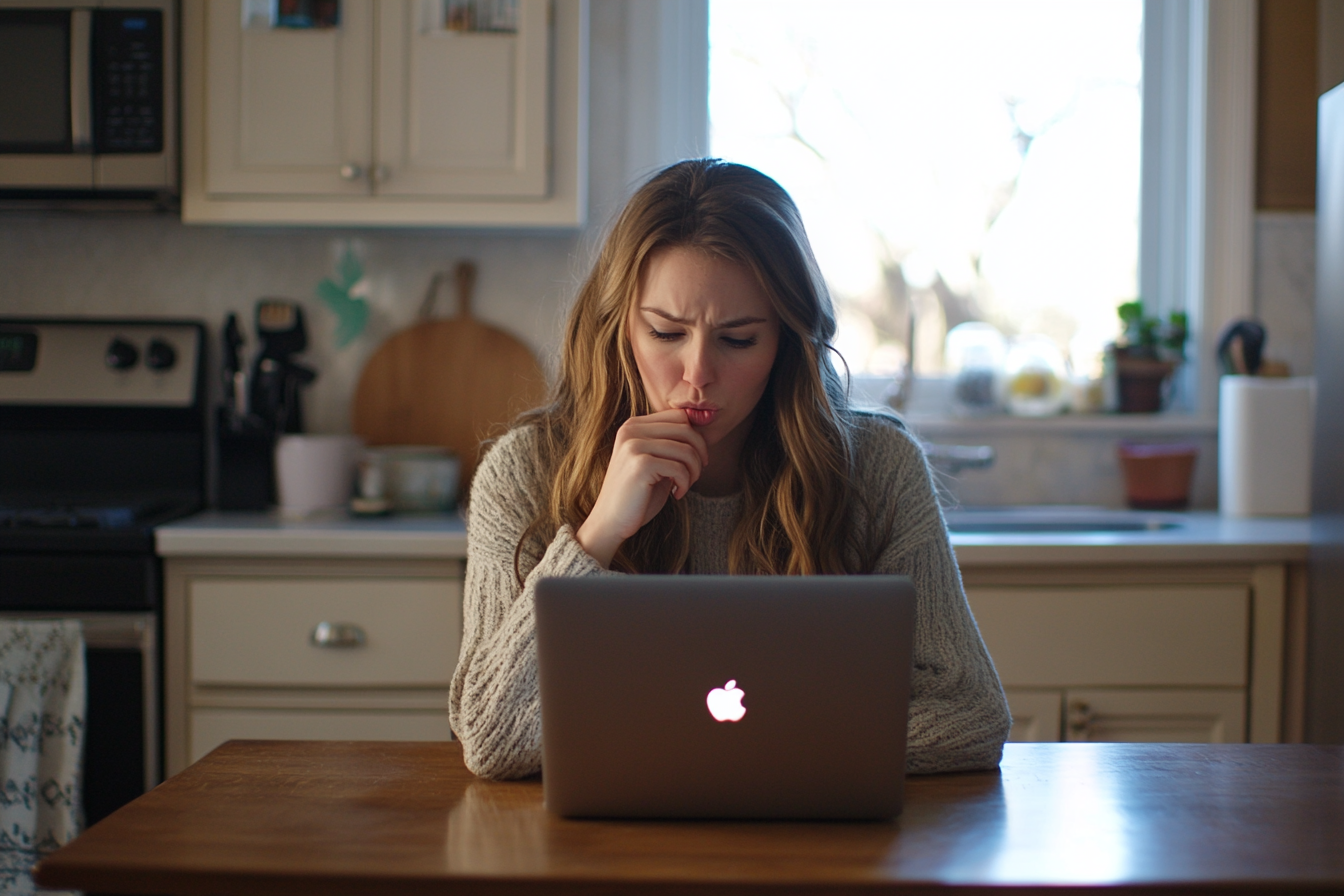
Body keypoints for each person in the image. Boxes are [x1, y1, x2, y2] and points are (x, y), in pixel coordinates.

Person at [449, 159, 1011, 780]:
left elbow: (971, 713)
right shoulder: (523, 471)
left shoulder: (878, 466)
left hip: (816, 856)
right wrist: (598, 535)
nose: (698, 374)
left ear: (787, 343)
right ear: (620, 328)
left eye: (738, 340)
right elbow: (491, 737)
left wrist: (713, 750)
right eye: (666, 333)